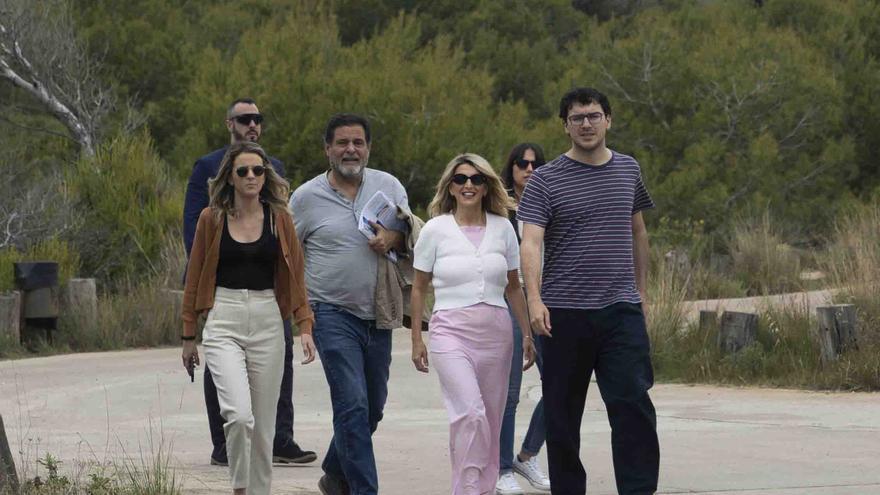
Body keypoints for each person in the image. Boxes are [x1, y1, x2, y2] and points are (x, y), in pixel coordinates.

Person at [518, 87, 660, 495]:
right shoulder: (545, 179)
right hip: (564, 315)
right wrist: (534, 299)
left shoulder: (628, 169)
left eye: (593, 116)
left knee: (633, 408)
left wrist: (641, 292)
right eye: (577, 118)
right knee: (562, 417)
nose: (586, 124)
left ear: (608, 120)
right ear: (565, 126)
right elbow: (531, 242)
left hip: (621, 312)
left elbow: (638, 231)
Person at [182, 97, 316, 467]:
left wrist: (303, 319)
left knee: (277, 371)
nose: (252, 124)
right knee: (225, 378)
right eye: (244, 119)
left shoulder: (271, 172)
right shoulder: (207, 167)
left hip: (268, 299)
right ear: (229, 123)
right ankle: (224, 444)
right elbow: (194, 227)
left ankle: (279, 439)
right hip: (223, 288)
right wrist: (210, 270)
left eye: (257, 118)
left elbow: (292, 260)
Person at [288, 113, 411, 495]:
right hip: (330, 312)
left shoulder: (389, 185)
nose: (350, 149)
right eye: (342, 142)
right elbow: (289, 258)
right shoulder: (306, 198)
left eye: (358, 142)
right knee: (353, 404)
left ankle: (333, 471)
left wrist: (394, 235)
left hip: (380, 313)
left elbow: (411, 231)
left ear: (369, 148)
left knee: (371, 407)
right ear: (327, 149)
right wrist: (300, 317)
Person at [409, 153, 535, 495]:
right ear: (450, 186)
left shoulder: (503, 227)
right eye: (461, 179)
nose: (468, 185)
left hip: (496, 332)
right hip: (450, 330)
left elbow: (513, 286)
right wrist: (416, 340)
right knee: (470, 412)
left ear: (486, 186)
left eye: (476, 179)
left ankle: (483, 487)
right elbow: (419, 287)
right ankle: (465, 489)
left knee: (490, 421)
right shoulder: (435, 229)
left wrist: (526, 333)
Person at [496, 143, 551, 495]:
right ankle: (502, 468)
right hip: (511, 305)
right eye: (522, 163)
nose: (529, 169)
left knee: (561, 387)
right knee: (510, 393)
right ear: (511, 168)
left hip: (550, 304)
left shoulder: (551, 202)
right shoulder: (499, 210)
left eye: (535, 164)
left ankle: (527, 453)